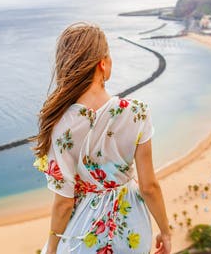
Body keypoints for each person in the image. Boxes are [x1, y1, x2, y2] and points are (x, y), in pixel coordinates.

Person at [31, 22, 171, 254]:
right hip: (132, 229)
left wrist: (52, 249)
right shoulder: (137, 112)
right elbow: (149, 187)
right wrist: (165, 231)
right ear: (103, 64)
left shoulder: (60, 124)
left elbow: (64, 202)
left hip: (83, 235)